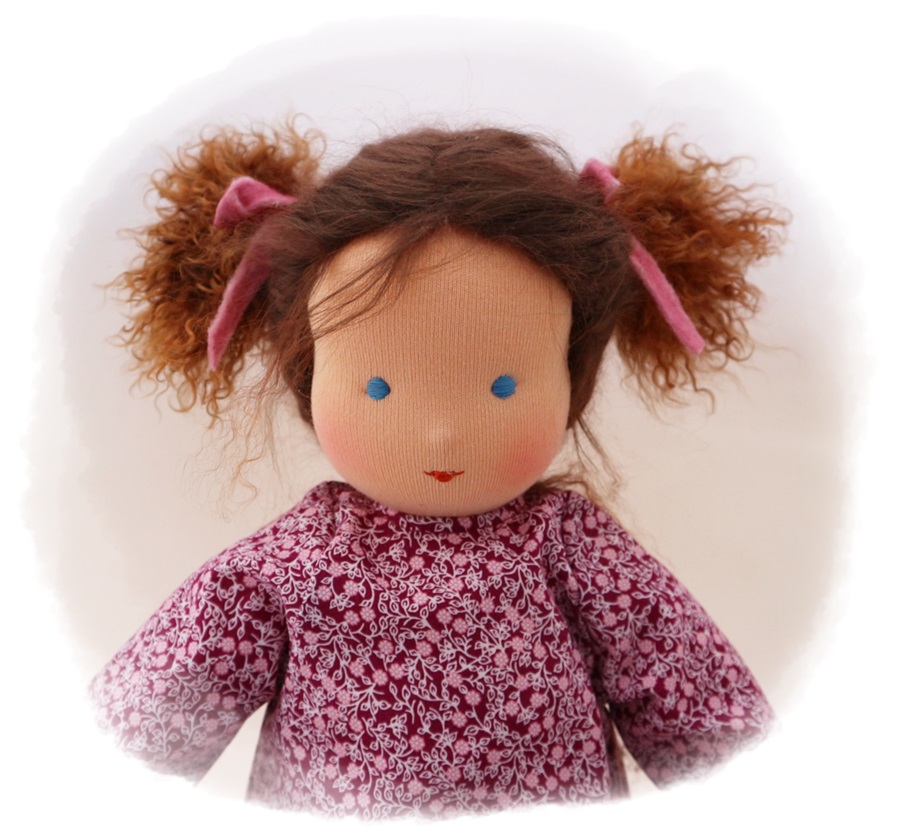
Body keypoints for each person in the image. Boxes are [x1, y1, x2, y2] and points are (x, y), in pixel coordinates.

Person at [91, 124, 785, 817]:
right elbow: (150, 715)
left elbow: (699, 712)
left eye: (504, 387)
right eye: (378, 389)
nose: (441, 433)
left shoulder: (574, 551)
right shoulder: (288, 567)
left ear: (570, 381)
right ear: (310, 379)